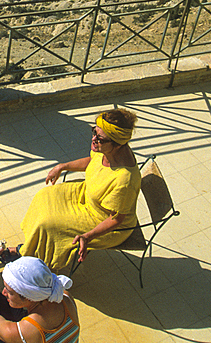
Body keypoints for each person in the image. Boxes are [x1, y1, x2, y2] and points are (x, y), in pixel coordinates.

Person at [19, 108, 141, 271]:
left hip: (104, 220)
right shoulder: (106, 149)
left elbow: (116, 219)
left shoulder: (125, 180)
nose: (93, 139)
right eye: (94, 132)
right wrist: (62, 166)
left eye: (100, 138)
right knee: (44, 195)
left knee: (48, 223)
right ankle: (32, 247)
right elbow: (92, 161)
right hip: (88, 194)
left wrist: (88, 236)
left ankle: (34, 261)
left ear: (118, 145)